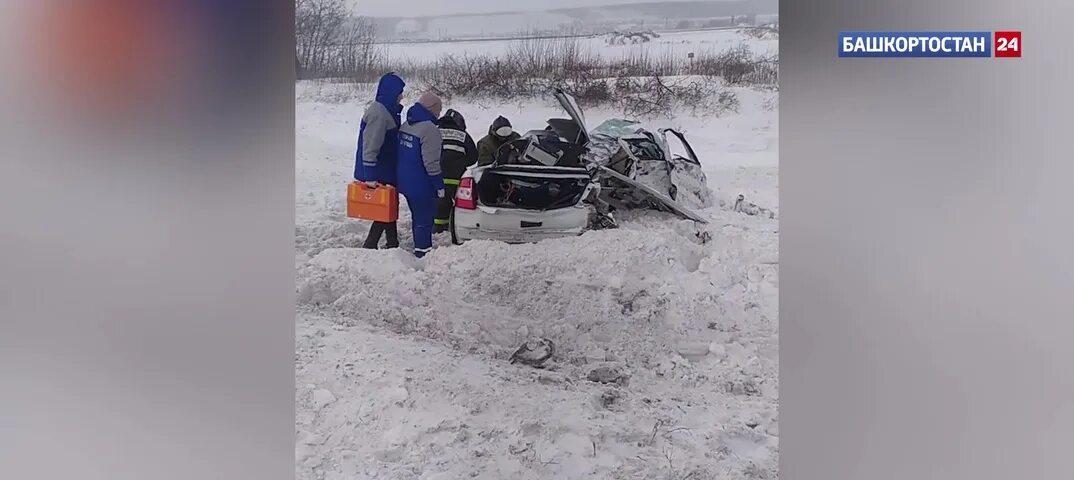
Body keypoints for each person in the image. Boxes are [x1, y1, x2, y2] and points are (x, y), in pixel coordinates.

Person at [354, 72, 406, 249]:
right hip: (379, 170)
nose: (402, 95)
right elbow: (370, 146)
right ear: (391, 92)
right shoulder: (378, 113)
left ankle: (392, 243)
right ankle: (370, 245)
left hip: (386, 169)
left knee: (388, 206)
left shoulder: (387, 110)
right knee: (384, 209)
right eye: (399, 91)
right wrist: (370, 176)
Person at [397, 92, 445, 258]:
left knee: (417, 216)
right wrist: (438, 184)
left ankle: (419, 245)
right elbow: (431, 163)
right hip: (422, 183)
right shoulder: (429, 129)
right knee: (425, 219)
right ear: (432, 109)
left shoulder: (406, 124)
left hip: (405, 181)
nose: (439, 114)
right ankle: (422, 253)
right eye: (438, 111)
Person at [434, 109, 478, 233]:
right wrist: (461, 163)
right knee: (460, 203)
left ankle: (438, 228)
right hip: (456, 177)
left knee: (440, 202)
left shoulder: (434, 131)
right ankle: (458, 227)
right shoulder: (463, 135)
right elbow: (473, 157)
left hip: (436, 176)